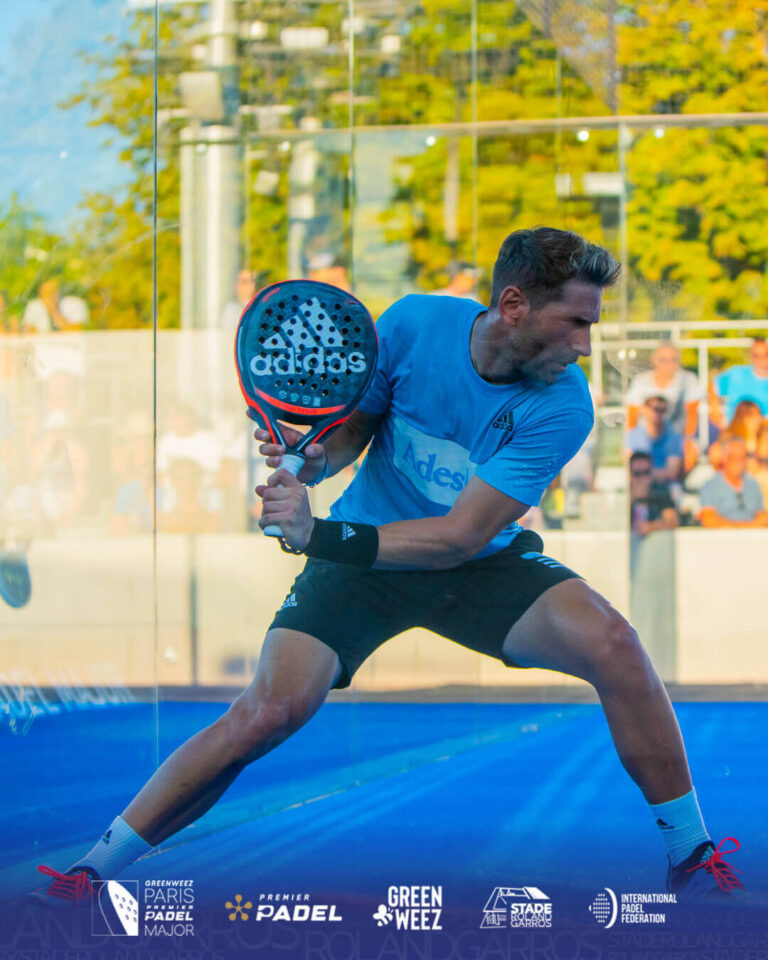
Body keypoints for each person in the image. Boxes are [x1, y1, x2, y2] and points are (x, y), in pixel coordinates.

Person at [35, 228, 741, 904]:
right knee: (267, 712)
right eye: (576, 323)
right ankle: (91, 871)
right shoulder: (411, 325)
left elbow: (460, 537)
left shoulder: (565, 406)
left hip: (473, 567)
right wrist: (310, 461)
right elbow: (351, 435)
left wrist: (316, 534)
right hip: (362, 559)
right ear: (514, 305)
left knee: (616, 646)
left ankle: (690, 856)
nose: (586, 345)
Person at [625, 345, 702, 473]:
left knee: (690, 453)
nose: (669, 364)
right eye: (664, 360)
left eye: (673, 359)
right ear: (654, 361)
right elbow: (631, 415)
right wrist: (631, 441)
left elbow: (692, 413)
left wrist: (688, 439)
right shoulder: (641, 380)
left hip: (677, 436)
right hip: (645, 436)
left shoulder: (688, 380)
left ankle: (676, 483)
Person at [698, 435, 768, 528]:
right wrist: (748, 526)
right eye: (733, 457)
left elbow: (762, 518)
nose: (738, 462)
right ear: (724, 458)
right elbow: (709, 520)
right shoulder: (710, 486)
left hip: (751, 536)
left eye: (742, 457)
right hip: (724, 537)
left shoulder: (753, 484)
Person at [710, 337, 768, 427]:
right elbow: (713, 387)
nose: (761, 359)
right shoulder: (736, 374)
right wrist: (716, 414)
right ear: (750, 356)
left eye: (766, 354)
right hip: (736, 429)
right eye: (756, 355)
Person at [625, 395, 684, 483]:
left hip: (667, 486)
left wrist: (645, 473)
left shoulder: (673, 436)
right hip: (642, 485)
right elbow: (633, 470)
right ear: (644, 410)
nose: (659, 414)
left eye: (663, 410)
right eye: (656, 409)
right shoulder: (634, 435)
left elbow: (673, 471)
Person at [629, 452, 678, 536]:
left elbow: (672, 521)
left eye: (646, 472)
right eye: (637, 473)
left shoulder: (660, 492)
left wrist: (651, 526)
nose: (642, 478)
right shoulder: (622, 497)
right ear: (629, 476)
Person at [22, 279, 89, 333]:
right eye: (46, 293)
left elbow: (77, 331)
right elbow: (28, 332)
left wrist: (53, 311)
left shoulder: (75, 304)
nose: (50, 296)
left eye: (53, 291)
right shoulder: (33, 306)